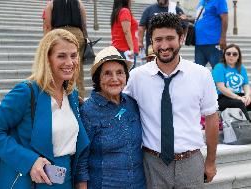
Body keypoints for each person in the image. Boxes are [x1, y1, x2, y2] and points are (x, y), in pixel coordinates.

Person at [0, 29, 89, 189]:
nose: (69, 62)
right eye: (61, 56)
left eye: (73, 55)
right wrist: (30, 161)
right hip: (31, 182)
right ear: (47, 59)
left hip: (65, 182)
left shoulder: (71, 94)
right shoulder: (26, 91)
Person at [124, 13, 219, 188]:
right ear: (151, 41)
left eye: (170, 38)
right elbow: (117, 105)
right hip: (152, 163)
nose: (164, 45)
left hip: (190, 161)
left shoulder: (201, 74)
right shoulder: (136, 77)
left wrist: (211, 161)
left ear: (181, 38)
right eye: (158, 39)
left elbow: (212, 118)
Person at [75, 46, 146, 188]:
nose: (114, 79)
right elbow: (81, 163)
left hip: (138, 184)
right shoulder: (88, 111)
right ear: (98, 78)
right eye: (107, 73)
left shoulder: (132, 103)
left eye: (120, 73)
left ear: (126, 76)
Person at [44, 0, 88, 99]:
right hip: (77, 34)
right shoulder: (79, 3)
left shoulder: (51, 4)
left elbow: (47, 26)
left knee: (57, 67)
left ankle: (58, 96)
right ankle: (80, 97)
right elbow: (84, 24)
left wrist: (46, 43)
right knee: (77, 69)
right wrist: (85, 38)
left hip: (58, 34)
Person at [212, 44, 251, 121]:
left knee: (244, 101)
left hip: (237, 96)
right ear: (224, 55)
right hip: (221, 98)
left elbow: (246, 85)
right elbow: (221, 88)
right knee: (239, 103)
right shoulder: (219, 67)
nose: (231, 56)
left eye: (235, 54)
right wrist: (238, 98)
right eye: (228, 53)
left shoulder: (241, 67)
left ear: (238, 56)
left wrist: (247, 96)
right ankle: (248, 125)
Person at [194, 0, 228, 68]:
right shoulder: (201, 2)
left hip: (214, 42)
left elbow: (224, 18)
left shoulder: (220, 1)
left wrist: (223, 38)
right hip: (199, 43)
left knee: (217, 70)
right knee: (197, 72)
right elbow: (201, 19)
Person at [111, 0, 139, 68]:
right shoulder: (124, 11)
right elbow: (126, 31)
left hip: (121, 49)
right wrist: (132, 49)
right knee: (129, 75)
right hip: (126, 50)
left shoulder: (117, 11)